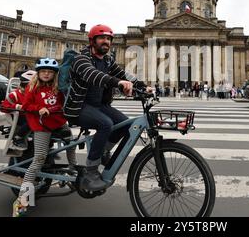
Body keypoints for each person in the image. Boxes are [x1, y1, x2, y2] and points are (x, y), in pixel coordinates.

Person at [64, 24, 150, 192]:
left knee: (125, 124)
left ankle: (102, 151)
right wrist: (117, 82)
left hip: (99, 105)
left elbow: (123, 74)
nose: (106, 42)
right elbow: (93, 75)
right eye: (102, 38)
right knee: (105, 124)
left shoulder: (108, 60)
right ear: (92, 41)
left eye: (109, 39)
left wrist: (142, 86)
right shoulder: (81, 59)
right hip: (78, 106)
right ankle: (91, 172)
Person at [12, 58, 77, 217]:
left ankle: (72, 169)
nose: (46, 74)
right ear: (38, 73)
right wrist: (39, 108)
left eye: (50, 72)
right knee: (38, 159)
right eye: (43, 71)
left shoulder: (58, 87)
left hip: (58, 122)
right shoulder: (32, 87)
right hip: (41, 125)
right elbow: (26, 105)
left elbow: (64, 102)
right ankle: (22, 201)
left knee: (72, 143)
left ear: (54, 74)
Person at [1, 70, 36, 150]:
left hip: (31, 115)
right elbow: (3, 107)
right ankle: (18, 137)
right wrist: (16, 106)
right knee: (32, 120)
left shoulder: (35, 95)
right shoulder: (14, 95)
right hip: (20, 117)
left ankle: (48, 145)